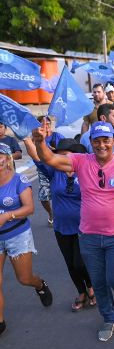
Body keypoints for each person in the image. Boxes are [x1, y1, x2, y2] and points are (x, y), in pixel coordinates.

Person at [32, 121, 114, 341]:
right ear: (90, 142)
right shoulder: (80, 161)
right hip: (89, 236)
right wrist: (40, 142)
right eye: (97, 140)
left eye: (106, 140)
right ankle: (109, 318)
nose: (102, 145)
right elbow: (49, 159)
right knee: (98, 282)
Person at [24, 137, 95, 312]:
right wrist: (27, 139)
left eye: (67, 155)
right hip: (61, 227)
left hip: (84, 226)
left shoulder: (85, 171)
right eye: (60, 155)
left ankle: (92, 287)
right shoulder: (54, 171)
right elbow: (37, 157)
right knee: (70, 264)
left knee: (80, 263)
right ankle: (81, 292)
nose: (63, 159)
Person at [0, 143, 52, 337]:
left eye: (0, 155)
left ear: (7, 159)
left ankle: (39, 285)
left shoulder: (18, 180)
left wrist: (6, 216)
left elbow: (29, 208)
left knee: (24, 278)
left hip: (17, 235)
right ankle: (0, 322)